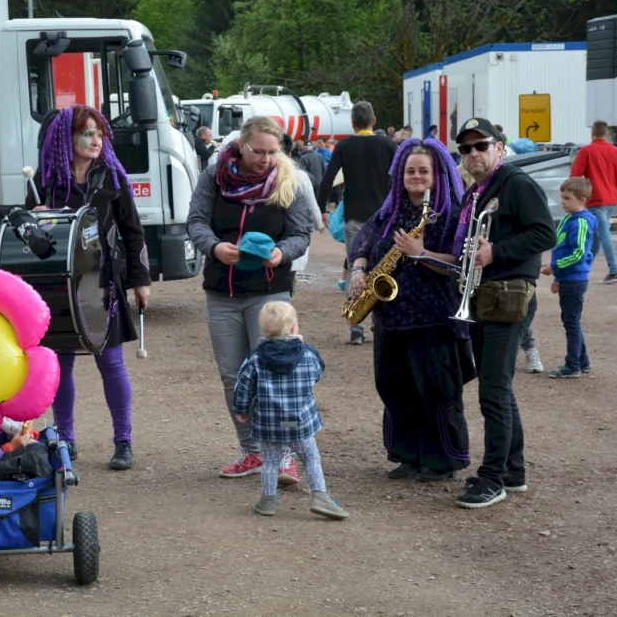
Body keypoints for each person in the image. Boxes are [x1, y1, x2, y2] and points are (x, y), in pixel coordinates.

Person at [187, 116, 312, 481]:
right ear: (241, 146)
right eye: (259, 151)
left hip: (271, 292)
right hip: (221, 292)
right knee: (233, 377)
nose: (267, 159)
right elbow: (196, 221)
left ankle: (284, 454)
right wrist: (213, 247)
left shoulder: (289, 179)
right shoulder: (215, 176)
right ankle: (252, 452)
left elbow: (301, 233)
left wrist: (282, 253)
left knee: (275, 375)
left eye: (273, 152)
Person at [29, 105, 151, 470]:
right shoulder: (45, 181)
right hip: (59, 287)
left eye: (99, 133)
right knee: (61, 366)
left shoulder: (113, 178)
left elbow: (133, 231)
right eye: (88, 133)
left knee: (111, 364)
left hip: (103, 284)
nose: (96, 140)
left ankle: (123, 442)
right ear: (67, 139)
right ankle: (65, 440)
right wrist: (35, 222)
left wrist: (141, 279)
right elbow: (31, 242)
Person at [348, 138, 474, 482]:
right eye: (410, 171)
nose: (416, 176)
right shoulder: (390, 211)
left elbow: (461, 264)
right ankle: (408, 454)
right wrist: (359, 269)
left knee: (434, 388)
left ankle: (443, 460)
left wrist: (421, 253)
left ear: (438, 174)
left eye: (423, 171)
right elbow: (364, 242)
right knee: (395, 386)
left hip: (433, 316)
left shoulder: (450, 215)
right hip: (390, 316)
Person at [451, 117, 556, 509]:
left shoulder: (515, 184)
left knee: (493, 390)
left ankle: (492, 478)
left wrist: (497, 251)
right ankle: (513, 471)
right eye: (466, 149)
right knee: (499, 387)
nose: (473, 153)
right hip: (481, 296)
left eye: (481, 146)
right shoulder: (475, 192)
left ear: (500, 146)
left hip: (508, 295)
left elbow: (545, 233)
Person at [232, 301, 348, 519]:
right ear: (295, 328)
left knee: (271, 461)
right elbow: (317, 375)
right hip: (299, 421)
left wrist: (242, 409)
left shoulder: (255, 358)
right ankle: (320, 496)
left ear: (263, 330)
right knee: (310, 456)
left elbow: (243, 386)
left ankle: (267, 500)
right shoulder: (309, 355)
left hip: (269, 423)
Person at [317, 101, 396, 345]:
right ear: (374, 121)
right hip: (383, 218)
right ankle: (381, 323)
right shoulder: (388, 144)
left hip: (354, 217)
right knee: (384, 268)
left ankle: (356, 326)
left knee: (356, 269)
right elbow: (398, 178)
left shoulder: (344, 145)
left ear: (353, 124)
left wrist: (322, 209)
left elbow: (327, 180)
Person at [540, 178, 597, 379]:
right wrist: (558, 277)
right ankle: (582, 361)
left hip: (575, 280)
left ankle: (572, 365)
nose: (562, 201)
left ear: (582, 200)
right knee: (571, 320)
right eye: (561, 197)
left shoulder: (581, 221)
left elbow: (578, 253)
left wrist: (554, 267)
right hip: (568, 278)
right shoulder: (568, 218)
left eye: (567, 198)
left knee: (571, 322)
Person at [569, 121, 617, 283]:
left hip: (595, 199)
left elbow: (576, 176)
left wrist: (573, 198)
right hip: (612, 199)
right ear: (606, 133)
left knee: (603, 235)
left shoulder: (586, 151)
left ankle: (614, 271)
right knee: (596, 237)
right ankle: (584, 268)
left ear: (592, 133)